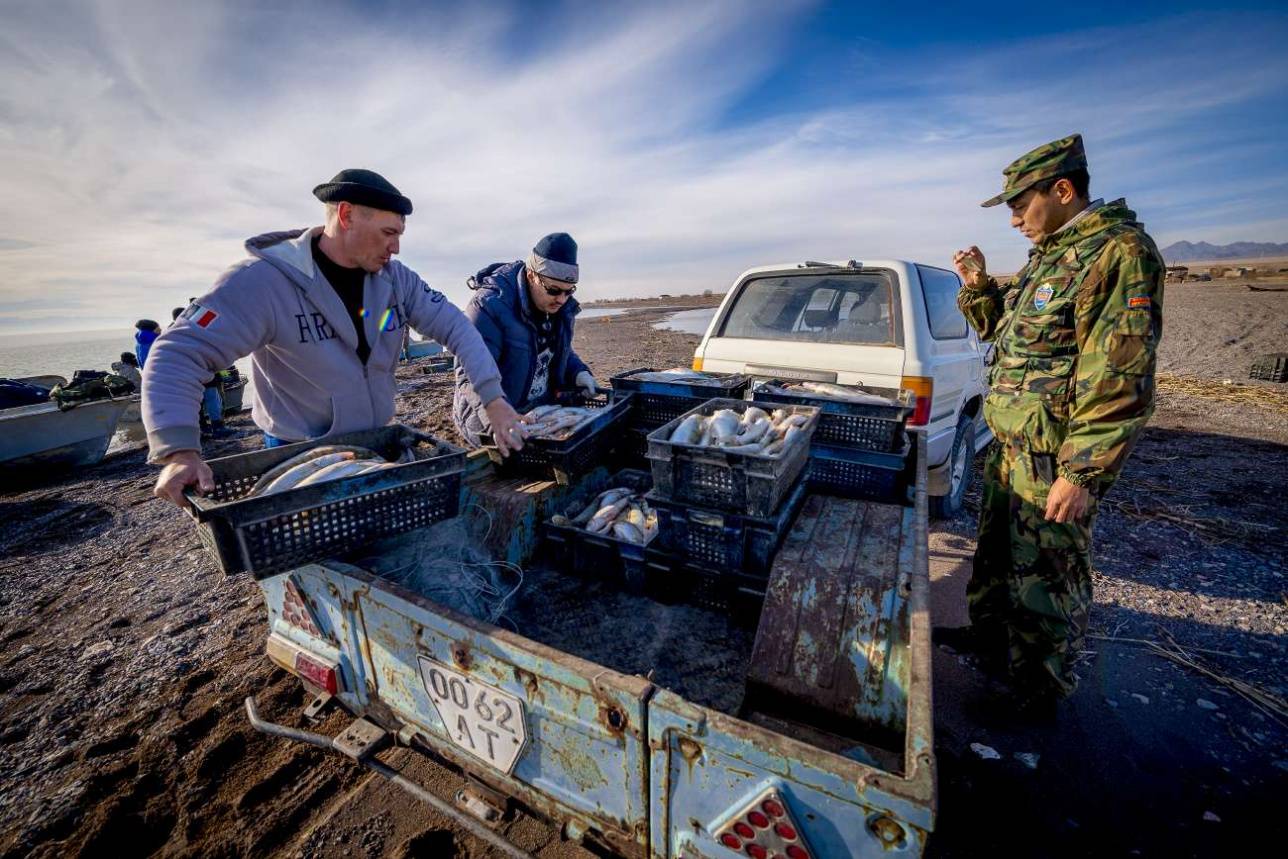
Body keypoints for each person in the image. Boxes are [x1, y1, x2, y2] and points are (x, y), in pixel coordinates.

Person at [144, 168, 527, 507]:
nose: (396, 247)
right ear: (346, 215)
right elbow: (179, 352)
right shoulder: (261, 283)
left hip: (374, 446)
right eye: (388, 233)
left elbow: (459, 328)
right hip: (297, 457)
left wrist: (491, 399)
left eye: (399, 235)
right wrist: (179, 450)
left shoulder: (398, 281)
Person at [944, 133, 1164, 715]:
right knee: (995, 560)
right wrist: (977, 285)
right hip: (1013, 448)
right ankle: (990, 645)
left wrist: (1082, 471)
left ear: (1062, 190)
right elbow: (1007, 336)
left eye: (1020, 204)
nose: (1014, 219)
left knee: (1045, 578)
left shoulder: (1118, 253)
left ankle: (1037, 691)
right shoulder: (1053, 256)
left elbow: (1120, 376)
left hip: (1053, 459)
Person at [452, 232, 598, 446]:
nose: (562, 299)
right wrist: (496, 416)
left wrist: (579, 372)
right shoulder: (487, 307)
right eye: (554, 290)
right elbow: (469, 375)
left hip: (540, 412)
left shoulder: (559, 306)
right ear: (531, 275)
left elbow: (556, 351)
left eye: (569, 291)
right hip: (490, 420)